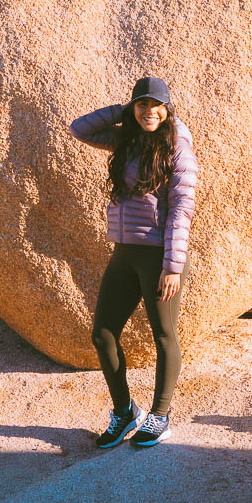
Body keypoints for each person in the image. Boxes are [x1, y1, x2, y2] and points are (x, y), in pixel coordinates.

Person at [69, 76, 198, 449]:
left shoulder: (178, 149)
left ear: (167, 109)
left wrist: (172, 266)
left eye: (156, 105)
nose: (149, 112)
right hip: (125, 252)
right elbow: (80, 128)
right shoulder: (125, 140)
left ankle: (160, 415)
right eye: (141, 105)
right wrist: (123, 112)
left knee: (163, 334)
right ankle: (125, 411)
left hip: (160, 257)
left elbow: (181, 211)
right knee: (103, 333)